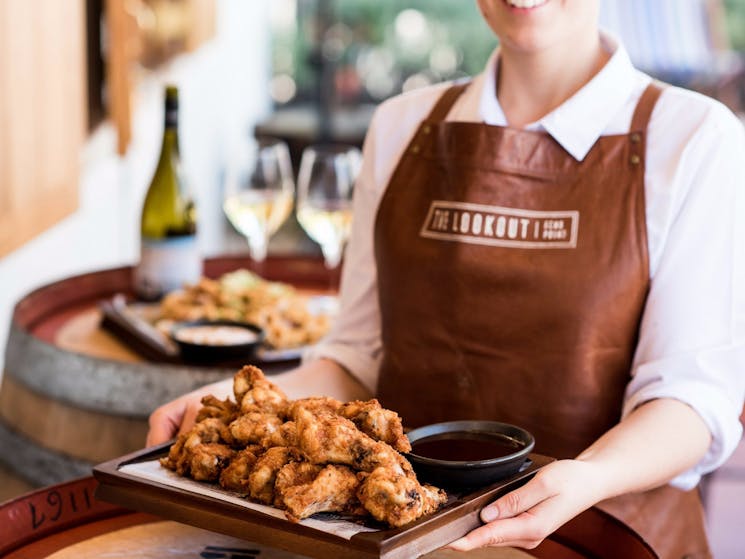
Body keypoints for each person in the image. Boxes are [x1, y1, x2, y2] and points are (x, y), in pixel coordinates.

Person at [148, 1, 745, 557]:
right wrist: (229, 408)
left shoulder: (695, 139)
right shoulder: (401, 127)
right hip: (411, 534)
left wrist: (589, 476)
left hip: (607, 534)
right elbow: (354, 359)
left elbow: (691, 400)